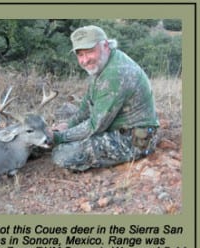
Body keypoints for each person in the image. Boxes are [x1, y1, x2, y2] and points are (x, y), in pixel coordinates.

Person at [49, 25, 160, 171]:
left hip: (138, 139)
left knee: (62, 154)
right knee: (65, 115)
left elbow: (95, 126)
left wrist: (58, 138)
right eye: (80, 55)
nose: (84, 60)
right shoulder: (103, 64)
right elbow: (86, 107)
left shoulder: (115, 74)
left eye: (89, 52)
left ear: (105, 45)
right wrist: (68, 125)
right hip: (117, 126)